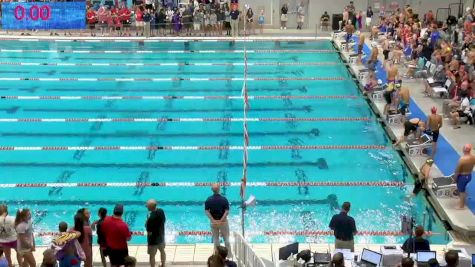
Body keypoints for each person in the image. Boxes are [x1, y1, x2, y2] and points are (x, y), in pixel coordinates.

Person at [205, 184, 232, 257]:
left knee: (216, 239)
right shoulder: (224, 199)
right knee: (226, 239)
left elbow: (207, 211)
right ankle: (228, 255)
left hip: (213, 223)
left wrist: (213, 220)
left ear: (212, 190)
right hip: (223, 222)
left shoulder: (208, 199)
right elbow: (227, 211)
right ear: (219, 189)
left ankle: (218, 256)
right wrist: (221, 220)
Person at [453, 144, 475, 209]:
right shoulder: (473, 157)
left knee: (461, 191)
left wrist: (455, 179)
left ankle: (461, 206)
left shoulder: (462, 160)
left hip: (462, 177)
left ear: (463, 149)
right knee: (463, 189)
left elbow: (457, 171)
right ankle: (463, 200)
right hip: (469, 176)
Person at [146, 199, 166, 267]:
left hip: (153, 241)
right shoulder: (161, 211)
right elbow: (164, 221)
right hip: (161, 237)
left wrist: (146, 221)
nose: (146, 206)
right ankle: (163, 265)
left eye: (147, 206)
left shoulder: (150, 218)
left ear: (151, 207)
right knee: (162, 251)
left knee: (152, 256)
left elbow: (149, 231)